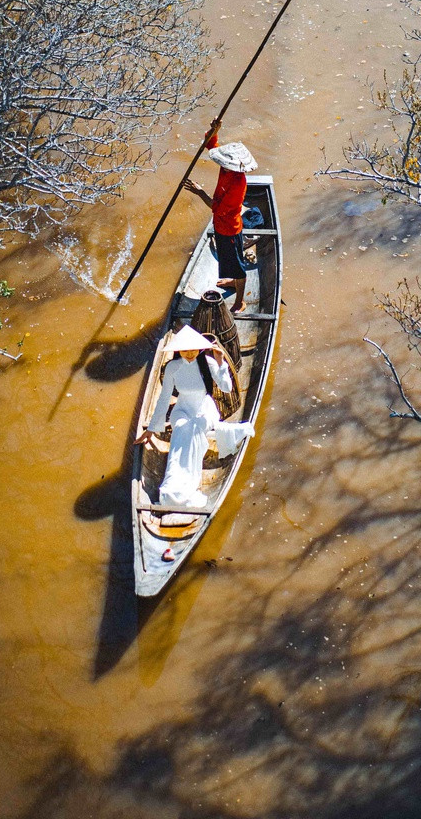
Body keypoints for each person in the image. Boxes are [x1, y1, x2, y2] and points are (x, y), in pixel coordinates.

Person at [134, 324, 255, 557]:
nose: (189, 354)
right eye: (185, 350)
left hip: (204, 409)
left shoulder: (207, 363)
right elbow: (163, 399)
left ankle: (188, 489)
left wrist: (220, 362)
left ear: (199, 349)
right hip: (181, 410)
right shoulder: (172, 367)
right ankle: (172, 490)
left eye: (193, 350)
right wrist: (152, 429)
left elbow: (227, 387)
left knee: (196, 430)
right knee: (180, 430)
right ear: (179, 350)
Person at [183, 116, 258, 313]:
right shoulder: (226, 169)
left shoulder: (238, 184)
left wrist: (199, 192)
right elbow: (211, 144)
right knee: (229, 262)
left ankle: (240, 301)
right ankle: (233, 282)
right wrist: (215, 130)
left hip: (229, 229)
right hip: (220, 225)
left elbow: (218, 209)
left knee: (238, 267)